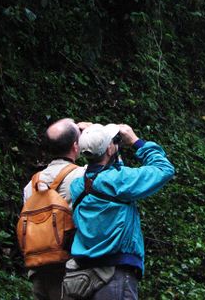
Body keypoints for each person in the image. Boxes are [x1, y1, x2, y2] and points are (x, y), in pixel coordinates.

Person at [69, 123, 175, 300]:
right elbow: (164, 169)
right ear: (110, 149)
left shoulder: (77, 185)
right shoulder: (119, 181)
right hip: (114, 275)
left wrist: (93, 135)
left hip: (81, 275)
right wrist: (135, 141)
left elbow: (107, 173)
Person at [22, 118, 88, 300]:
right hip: (69, 268)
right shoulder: (83, 176)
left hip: (39, 267)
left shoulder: (32, 184)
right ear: (76, 146)